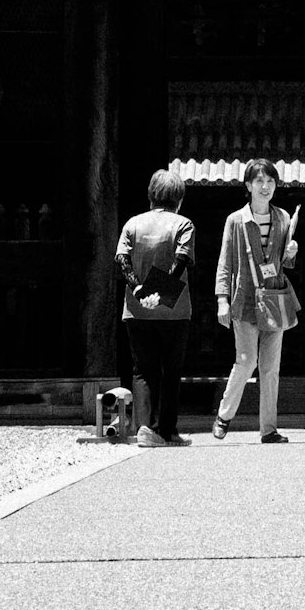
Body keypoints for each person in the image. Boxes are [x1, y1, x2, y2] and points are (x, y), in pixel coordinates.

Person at [212, 160, 301, 443]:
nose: (266, 187)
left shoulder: (283, 217)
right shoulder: (235, 220)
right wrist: (221, 300)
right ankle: (224, 415)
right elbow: (225, 263)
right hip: (245, 299)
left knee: (270, 367)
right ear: (248, 186)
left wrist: (291, 252)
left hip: (274, 298)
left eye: (271, 182)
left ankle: (269, 429)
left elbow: (284, 263)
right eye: (259, 182)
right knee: (246, 360)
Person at [113, 166, 199, 445]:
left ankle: (144, 429)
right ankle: (168, 431)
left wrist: (140, 291)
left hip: (136, 311)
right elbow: (181, 261)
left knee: (142, 370)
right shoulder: (184, 224)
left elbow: (122, 261)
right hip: (174, 311)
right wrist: (159, 294)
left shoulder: (132, 223)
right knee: (171, 370)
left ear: (151, 195)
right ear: (179, 199)